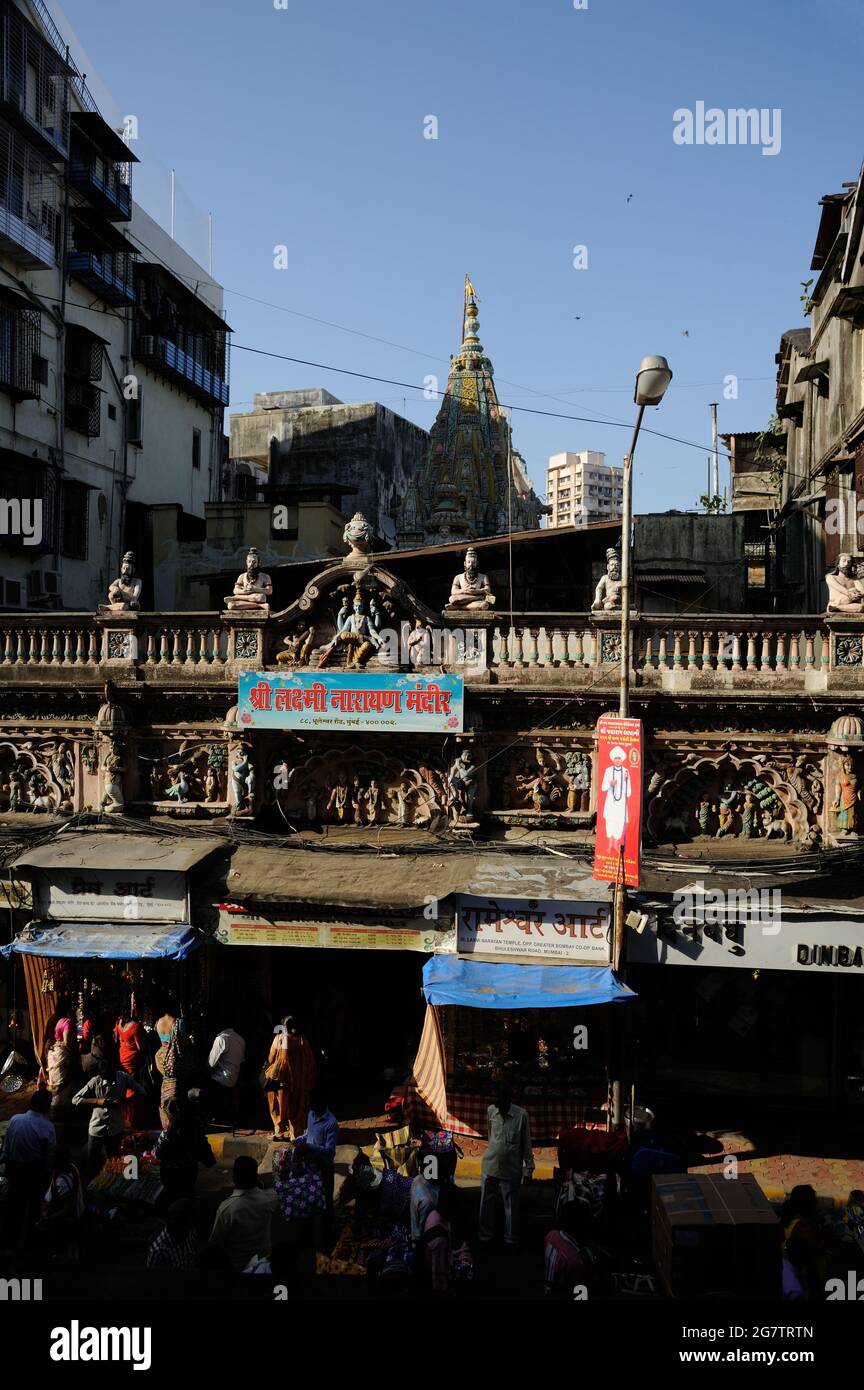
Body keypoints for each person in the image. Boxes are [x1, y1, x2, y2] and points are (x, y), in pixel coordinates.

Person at [71, 1059, 146, 1183]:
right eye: (106, 1078)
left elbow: (142, 1092)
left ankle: (110, 1186)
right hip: (97, 1128)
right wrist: (98, 1101)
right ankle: (89, 1186)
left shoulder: (123, 1078)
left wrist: (124, 1101)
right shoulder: (95, 1081)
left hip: (115, 1129)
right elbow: (75, 1099)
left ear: (115, 1072)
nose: (110, 1081)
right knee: (92, 1162)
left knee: (113, 1161)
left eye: (111, 1077)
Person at [478, 1083, 534, 1248]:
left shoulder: (521, 1115)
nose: (496, 1103)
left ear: (508, 1099)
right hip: (490, 1166)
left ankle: (510, 1238)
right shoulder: (491, 1111)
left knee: (510, 1206)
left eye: (500, 1099)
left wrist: (528, 1169)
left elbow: (526, 1144)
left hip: (511, 1170)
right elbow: (491, 1136)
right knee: (485, 1204)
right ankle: (484, 1236)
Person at [1, 1089, 55, 1250]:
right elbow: (49, 1155)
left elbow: (7, 1148)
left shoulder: (15, 1120)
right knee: (33, 1209)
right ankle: (30, 1243)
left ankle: (9, 1242)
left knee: (14, 1208)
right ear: (46, 1107)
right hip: (34, 1173)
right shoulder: (47, 1127)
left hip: (15, 1170)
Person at [208, 1156, 279, 1272]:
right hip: (262, 1264)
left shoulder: (227, 1208)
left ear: (235, 1177)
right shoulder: (269, 1199)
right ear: (256, 1177)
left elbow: (215, 1242)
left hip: (236, 1266)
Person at [263, 1016, 316, 1141]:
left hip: (282, 1082)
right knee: (296, 1106)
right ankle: (295, 1134)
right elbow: (310, 1061)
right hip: (299, 1082)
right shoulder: (302, 1039)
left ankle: (279, 1131)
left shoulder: (279, 1038)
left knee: (278, 1106)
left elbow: (271, 1058)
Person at [155, 1095, 216, 1202]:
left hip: (170, 1175)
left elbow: (158, 1153)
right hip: (188, 1173)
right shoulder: (195, 1130)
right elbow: (206, 1154)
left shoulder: (167, 1133)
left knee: (172, 1199)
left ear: (170, 1114)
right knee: (187, 1197)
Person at [782, 1184, 828, 1299]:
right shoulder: (805, 1228)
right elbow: (809, 1262)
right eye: (815, 1201)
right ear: (808, 1206)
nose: (817, 1204)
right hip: (803, 1279)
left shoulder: (789, 1220)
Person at [39, 1146, 84, 1258]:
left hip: (65, 1221)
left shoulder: (62, 1182)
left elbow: (66, 1208)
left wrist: (47, 1218)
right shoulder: (72, 1168)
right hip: (76, 1215)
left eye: (52, 1158)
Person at [208, 1022, 246, 1125]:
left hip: (221, 1079)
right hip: (234, 1079)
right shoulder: (240, 1039)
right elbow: (241, 1061)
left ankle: (212, 1117)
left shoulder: (221, 1039)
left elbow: (211, 1063)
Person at [146, 1198, 198, 1270]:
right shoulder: (160, 1252)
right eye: (185, 1226)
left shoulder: (188, 1233)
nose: (189, 1230)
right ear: (172, 1224)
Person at [113, 1008, 145, 1127]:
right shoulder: (135, 1027)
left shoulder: (119, 1024)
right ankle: (130, 1120)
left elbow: (116, 1040)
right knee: (132, 1088)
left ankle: (123, 1117)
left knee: (123, 1086)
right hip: (132, 1060)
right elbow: (140, 1047)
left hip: (122, 1058)